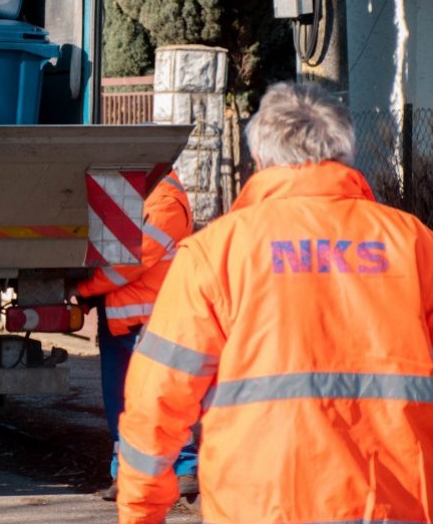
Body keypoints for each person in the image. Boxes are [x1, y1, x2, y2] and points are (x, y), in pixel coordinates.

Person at [116, 82, 433, 523]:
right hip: (393, 504)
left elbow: (157, 402)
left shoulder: (216, 253)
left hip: (260, 504)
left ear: (260, 160)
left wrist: (139, 513)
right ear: (343, 154)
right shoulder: (413, 243)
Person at [70, 168, 198, 501]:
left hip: (149, 318)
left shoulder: (167, 200)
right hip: (120, 318)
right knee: (122, 402)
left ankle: (185, 467)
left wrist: (84, 289)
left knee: (156, 396)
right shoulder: (139, 192)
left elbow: (132, 261)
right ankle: (127, 474)